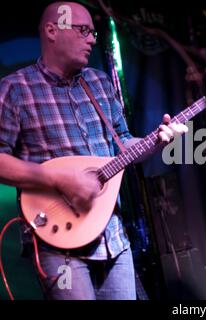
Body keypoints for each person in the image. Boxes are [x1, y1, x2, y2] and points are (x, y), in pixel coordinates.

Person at [0, 2, 187, 300]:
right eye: (83, 30)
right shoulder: (15, 89)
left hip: (112, 236)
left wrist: (156, 142)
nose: (91, 39)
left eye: (93, 33)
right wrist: (59, 180)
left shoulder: (99, 83)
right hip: (57, 243)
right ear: (51, 30)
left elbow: (122, 144)